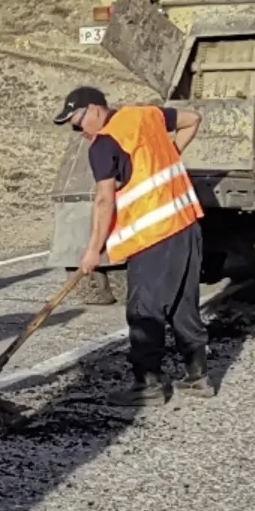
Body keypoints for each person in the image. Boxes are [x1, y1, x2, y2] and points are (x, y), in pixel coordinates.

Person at [57, 86, 211, 404]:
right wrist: (171, 157)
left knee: (144, 310)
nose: (78, 132)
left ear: (96, 109)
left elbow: (103, 200)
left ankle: (149, 386)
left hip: (153, 235)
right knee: (184, 303)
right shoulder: (145, 114)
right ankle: (198, 378)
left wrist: (91, 250)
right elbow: (193, 119)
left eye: (77, 122)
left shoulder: (104, 143)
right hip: (185, 223)